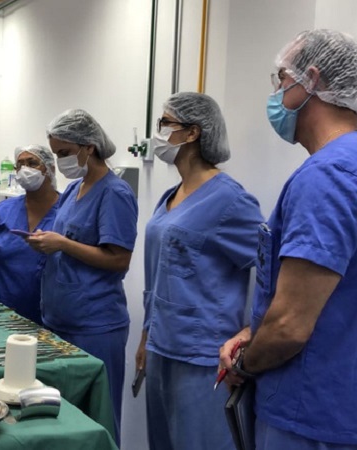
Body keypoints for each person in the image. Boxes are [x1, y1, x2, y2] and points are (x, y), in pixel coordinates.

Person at [219, 30, 357, 450]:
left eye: (281, 80)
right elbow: (325, 297)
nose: (276, 93)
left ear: (312, 78)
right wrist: (255, 330)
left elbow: (290, 327)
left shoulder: (330, 177)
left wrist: (245, 364)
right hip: (340, 401)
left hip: (308, 415)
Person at [134, 92, 263, 450]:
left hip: (202, 357)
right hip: (161, 349)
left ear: (192, 133)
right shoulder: (170, 196)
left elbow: (275, 268)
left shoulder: (230, 200)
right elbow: (159, 276)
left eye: (164, 124)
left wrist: (255, 329)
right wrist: (146, 338)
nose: (157, 132)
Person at [27, 109, 138, 444]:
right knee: (64, 421)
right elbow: (66, 240)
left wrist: (62, 244)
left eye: (63, 153)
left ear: (88, 148)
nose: (59, 161)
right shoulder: (74, 188)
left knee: (97, 419)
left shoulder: (114, 193)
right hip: (60, 320)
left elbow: (119, 259)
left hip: (95, 325)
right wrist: (46, 244)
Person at [0, 144, 59, 324]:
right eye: (20, 165)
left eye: (32, 163)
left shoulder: (68, 211)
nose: (25, 169)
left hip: (53, 315)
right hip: (5, 310)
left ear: (50, 168)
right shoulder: (1, 212)